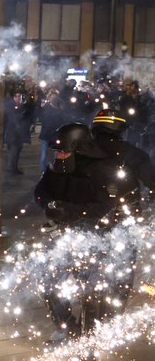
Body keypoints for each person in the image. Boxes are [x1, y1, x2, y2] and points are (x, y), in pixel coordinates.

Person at [34, 122, 147, 338]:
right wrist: (49, 204)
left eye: (65, 151)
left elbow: (107, 207)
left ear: (79, 148)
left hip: (101, 238)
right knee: (49, 282)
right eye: (58, 151)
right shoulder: (59, 168)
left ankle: (90, 340)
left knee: (91, 291)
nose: (60, 156)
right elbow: (41, 190)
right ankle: (69, 328)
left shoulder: (104, 170)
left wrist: (71, 210)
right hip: (68, 236)